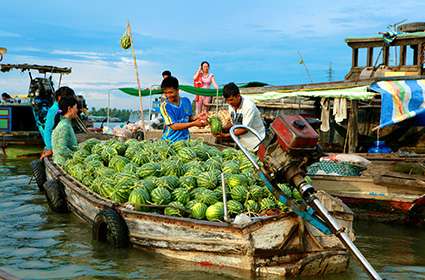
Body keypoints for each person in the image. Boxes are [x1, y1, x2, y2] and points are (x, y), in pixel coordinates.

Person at [213, 82, 265, 152]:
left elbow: (244, 129)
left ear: (238, 96)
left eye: (231, 100)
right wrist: (220, 128)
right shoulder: (231, 105)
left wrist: (225, 135)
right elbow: (233, 123)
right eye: (227, 100)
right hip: (243, 144)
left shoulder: (248, 106)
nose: (229, 103)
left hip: (256, 144)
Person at [160, 76, 207, 142]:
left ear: (177, 90)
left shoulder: (186, 101)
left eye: (171, 92)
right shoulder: (165, 106)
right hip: (169, 142)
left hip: (185, 141)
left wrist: (198, 117)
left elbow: (188, 118)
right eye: (166, 93)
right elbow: (174, 126)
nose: (168, 95)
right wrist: (194, 123)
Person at [40, 86, 75, 159]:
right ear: (59, 98)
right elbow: (48, 130)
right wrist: (50, 148)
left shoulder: (61, 109)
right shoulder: (54, 109)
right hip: (55, 148)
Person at [51, 95, 79, 166]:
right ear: (69, 109)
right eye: (75, 107)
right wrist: (79, 156)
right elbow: (62, 150)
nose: (77, 110)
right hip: (63, 164)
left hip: (63, 162)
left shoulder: (65, 123)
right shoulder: (64, 126)